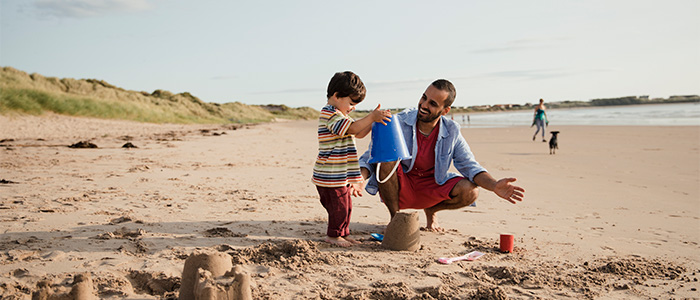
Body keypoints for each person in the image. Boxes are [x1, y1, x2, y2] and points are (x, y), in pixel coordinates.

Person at [358, 79, 524, 231]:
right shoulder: (399, 122)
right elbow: (371, 156)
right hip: (402, 184)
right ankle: (396, 220)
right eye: (424, 98)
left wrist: (494, 185)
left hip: (432, 186)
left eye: (432, 103)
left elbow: (470, 166)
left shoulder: (451, 131)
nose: (423, 105)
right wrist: (358, 179)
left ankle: (431, 210)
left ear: (445, 110)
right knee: (385, 158)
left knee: (471, 191)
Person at [312, 71, 392, 247]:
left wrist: (374, 121)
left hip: (339, 174)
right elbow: (354, 128)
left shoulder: (342, 116)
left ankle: (343, 233)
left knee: (346, 206)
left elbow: (360, 132)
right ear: (336, 96)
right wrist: (370, 117)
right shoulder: (329, 114)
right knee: (338, 207)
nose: (353, 107)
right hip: (329, 175)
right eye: (351, 102)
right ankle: (333, 236)